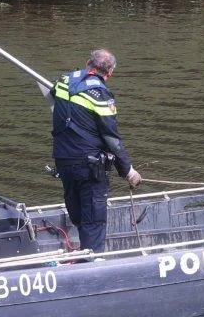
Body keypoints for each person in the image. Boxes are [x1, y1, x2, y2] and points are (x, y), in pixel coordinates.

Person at [51, 49, 141, 253]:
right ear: (109, 73)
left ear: (86, 63)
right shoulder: (101, 94)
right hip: (89, 167)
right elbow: (111, 138)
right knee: (94, 219)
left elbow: (56, 96)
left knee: (78, 215)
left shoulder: (64, 81)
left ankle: (83, 254)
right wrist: (127, 170)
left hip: (63, 161)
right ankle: (92, 264)